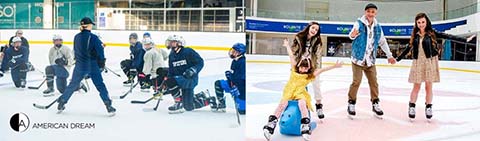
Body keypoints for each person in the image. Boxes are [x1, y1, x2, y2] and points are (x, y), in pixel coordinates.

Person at [396, 13, 476, 121]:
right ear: (416, 23)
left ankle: (428, 107)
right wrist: (397, 59)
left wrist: (464, 40)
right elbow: (408, 48)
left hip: (430, 61)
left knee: (429, 87)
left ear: (426, 22)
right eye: (418, 22)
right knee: (416, 87)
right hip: (418, 62)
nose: (421, 24)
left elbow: (447, 36)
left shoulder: (432, 33)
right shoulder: (415, 35)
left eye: (423, 22)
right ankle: (412, 106)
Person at [263, 38, 343, 140]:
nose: (303, 69)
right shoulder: (294, 69)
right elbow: (291, 56)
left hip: (300, 92)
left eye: (306, 68)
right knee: (282, 104)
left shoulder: (309, 76)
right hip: (289, 91)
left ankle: (305, 126)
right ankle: (270, 126)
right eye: (302, 67)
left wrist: (334, 66)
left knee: (302, 104)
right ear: (299, 66)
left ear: (308, 68)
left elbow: (322, 70)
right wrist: (287, 45)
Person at [56, 17, 116, 116]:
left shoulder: (76, 37)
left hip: (79, 64)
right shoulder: (93, 37)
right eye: (91, 24)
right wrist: (102, 62)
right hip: (91, 65)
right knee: (100, 85)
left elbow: (75, 50)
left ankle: (62, 101)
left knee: (73, 84)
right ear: (88, 25)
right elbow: (100, 51)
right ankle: (108, 105)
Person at [346, 3, 396, 119]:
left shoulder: (378, 27)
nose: (370, 14)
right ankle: (351, 103)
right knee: (356, 82)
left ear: (375, 13)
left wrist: (389, 55)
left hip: (370, 61)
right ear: (365, 12)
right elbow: (352, 34)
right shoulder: (359, 23)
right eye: (368, 11)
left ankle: (375, 103)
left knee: (374, 83)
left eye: (373, 12)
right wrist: (352, 35)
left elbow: (382, 42)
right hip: (358, 60)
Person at [287, 21, 326, 120]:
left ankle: (319, 105)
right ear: (309, 28)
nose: (314, 30)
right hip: (301, 65)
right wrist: (294, 67)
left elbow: (318, 56)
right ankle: (294, 105)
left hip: (311, 66)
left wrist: (317, 68)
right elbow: (294, 52)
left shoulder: (317, 41)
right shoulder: (299, 37)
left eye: (316, 30)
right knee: (296, 85)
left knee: (316, 84)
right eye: (313, 28)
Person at [165, 35, 204, 114]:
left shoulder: (188, 51)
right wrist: (166, 83)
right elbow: (171, 70)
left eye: (173, 42)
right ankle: (180, 102)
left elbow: (200, 62)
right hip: (180, 79)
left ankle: (180, 103)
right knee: (188, 107)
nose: (171, 44)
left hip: (190, 79)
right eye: (170, 42)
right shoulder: (172, 55)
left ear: (179, 43)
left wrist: (192, 70)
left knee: (188, 107)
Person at [211, 43, 246, 115]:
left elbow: (242, 80)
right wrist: (229, 77)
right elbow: (234, 76)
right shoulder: (235, 61)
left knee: (242, 111)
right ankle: (221, 104)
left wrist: (237, 88)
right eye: (232, 51)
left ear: (240, 53)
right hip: (233, 85)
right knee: (218, 83)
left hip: (241, 90)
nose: (232, 53)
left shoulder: (243, 63)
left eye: (234, 51)